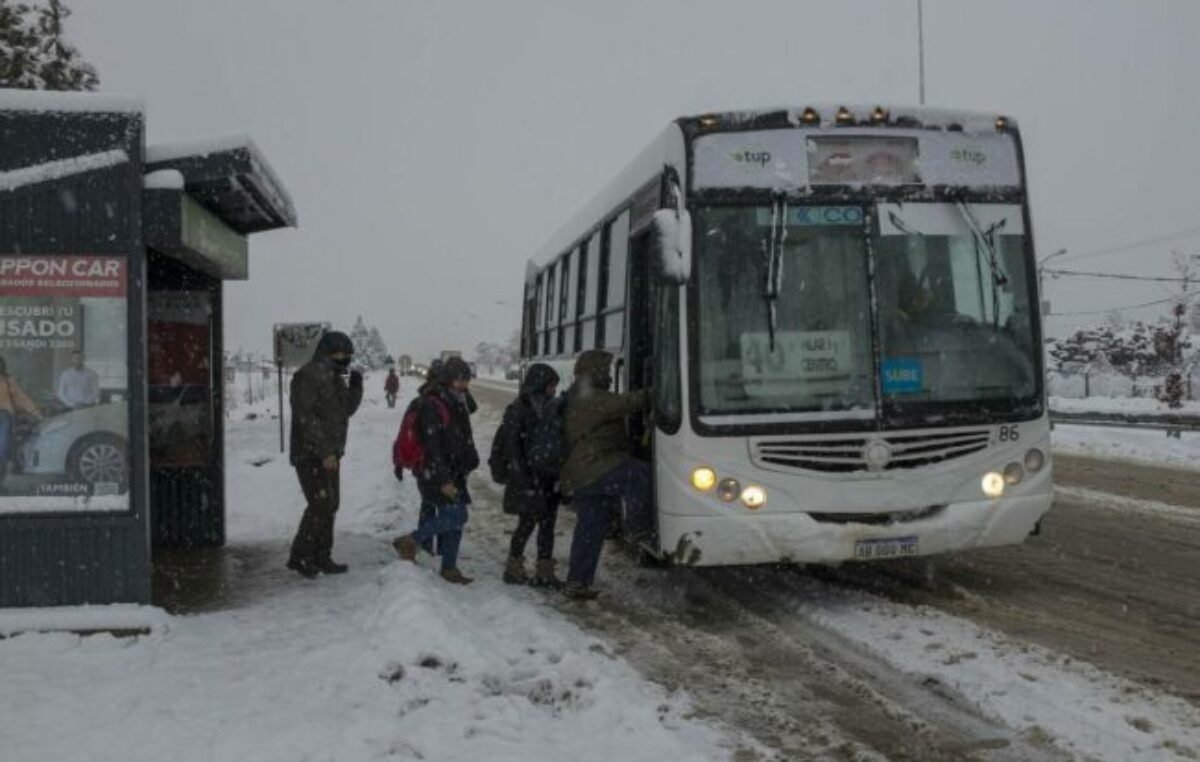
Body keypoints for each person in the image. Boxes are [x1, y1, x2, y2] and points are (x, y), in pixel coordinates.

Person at [559, 350, 651, 600]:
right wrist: (657, 390)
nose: (610, 375)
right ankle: (637, 530)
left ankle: (577, 582)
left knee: (590, 530)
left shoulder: (578, 394)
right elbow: (627, 403)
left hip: (582, 475)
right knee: (640, 474)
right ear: (596, 371)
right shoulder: (590, 397)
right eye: (607, 370)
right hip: (595, 467)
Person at [393, 357, 480, 584]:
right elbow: (432, 447)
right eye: (461, 381)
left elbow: (468, 419)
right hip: (437, 472)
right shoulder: (433, 404)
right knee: (457, 514)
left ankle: (449, 567)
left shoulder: (456, 400)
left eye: (467, 380)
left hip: (454, 470)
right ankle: (411, 540)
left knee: (456, 519)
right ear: (449, 380)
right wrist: (443, 479)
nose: (465, 385)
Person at [286, 331, 363, 578]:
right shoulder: (308, 375)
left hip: (330, 453)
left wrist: (356, 386)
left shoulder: (334, 377)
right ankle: (301, 557)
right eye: (342, 354)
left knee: (330, 504)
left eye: (348, 356)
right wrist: (323, 451)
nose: (346, 360)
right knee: (320, 504)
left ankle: (321, 556)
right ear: (327, 352)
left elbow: (345, 411)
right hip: (311, 454)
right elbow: (304, 417)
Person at [500, 363, 563, 588]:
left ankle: (544, 570)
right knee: (527, 523)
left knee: (547, 525)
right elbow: (512, 446)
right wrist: (523, 475)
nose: (554, 390)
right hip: (528, 477)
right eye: (551, 386)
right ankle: (513, 566)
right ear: (540, 385)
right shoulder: (518, 409)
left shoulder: (551, 408)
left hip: (549, 477)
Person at [0, 356, 41, 489]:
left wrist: (36, 412)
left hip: (4, 417)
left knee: (3, 450)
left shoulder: (8, 381)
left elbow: (21, 398)